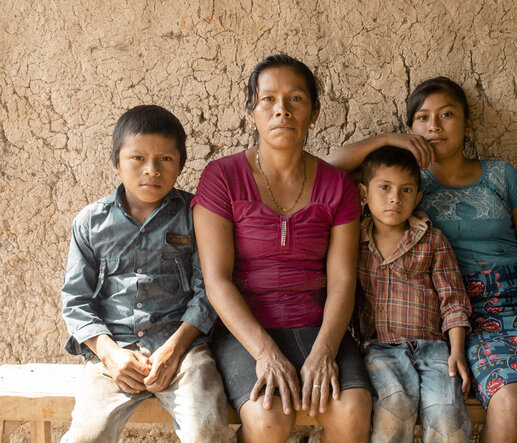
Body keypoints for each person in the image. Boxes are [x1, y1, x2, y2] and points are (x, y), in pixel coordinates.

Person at [327, 77, 517, 443]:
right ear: (410, 128)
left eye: (447, 115)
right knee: (512, 400)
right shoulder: (405, 185)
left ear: (468, 123)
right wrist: (386, 140)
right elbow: (327, 173)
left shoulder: (501, 175)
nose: (434, 127)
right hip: (466, 315)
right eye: (422, 118)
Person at [191, 54, 372, 443]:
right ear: (250, 112)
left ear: (314, 112)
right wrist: (265, 353)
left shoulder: (336, 186)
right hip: (246, 332)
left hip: (318, 326)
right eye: (268, 100)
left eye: (295, 100)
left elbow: (342, 280)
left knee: (352, 412)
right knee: (268, 418)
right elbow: (217, 281)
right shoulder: (222, 178)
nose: (282, 111)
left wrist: (324, 351)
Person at [60, 105, 235, 443]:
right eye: (137, 158)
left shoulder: (196, 215)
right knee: (85, 437)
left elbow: (209, 291)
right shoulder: (91, 223)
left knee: (207, 433)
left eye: (165, 159)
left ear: (181, 164)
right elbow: (75, 301)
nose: (151, 170)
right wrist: (110, 355)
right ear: (117, 162)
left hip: (184, 350)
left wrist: (173, 350)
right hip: (113, 352)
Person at [355, 146, 473, 442]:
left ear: (418, 198)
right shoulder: (354, 240)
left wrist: (456, 351)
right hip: (380, 348)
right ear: (363, 194)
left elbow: (454, 300)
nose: (395, 198)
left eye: (406, 190)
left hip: (435, 350)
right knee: (395, 405)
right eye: (384, 188)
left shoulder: (432, 240)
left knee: (447, 415)